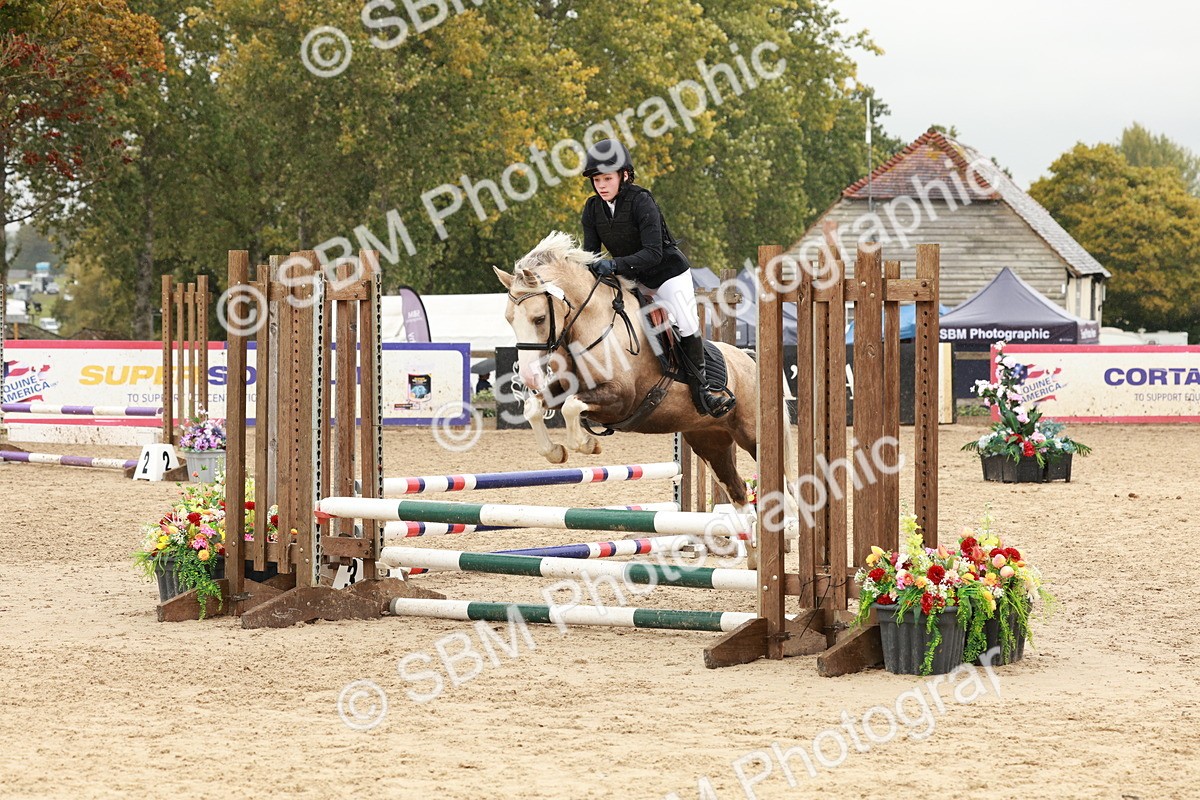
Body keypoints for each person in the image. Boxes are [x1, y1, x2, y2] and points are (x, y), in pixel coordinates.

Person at [579, 138, 734, 418]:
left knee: (686, 323)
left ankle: (704, 391)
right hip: (631, 278)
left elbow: (652, 253)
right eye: (596, 180)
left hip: (666, 274)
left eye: (607, 178)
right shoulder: (592, 209)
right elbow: (591, 254)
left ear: (624, 176)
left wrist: (612, 264)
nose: (601, 185)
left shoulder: (641, 200)